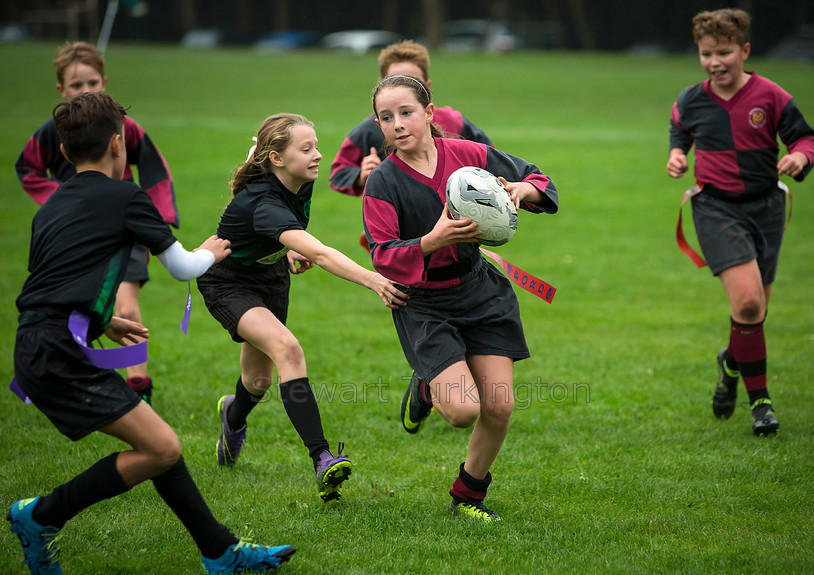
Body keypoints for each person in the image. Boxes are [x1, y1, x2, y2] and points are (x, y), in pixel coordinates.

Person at [8, 92, 295, 575]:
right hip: (56, 352)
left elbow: (50, 283)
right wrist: (210, 252)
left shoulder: (50, 207)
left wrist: (102, 319)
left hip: (37, 343)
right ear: (119, 145)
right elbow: (182, 267)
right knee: (162, 448)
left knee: (158, 443)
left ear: (62, 153)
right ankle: (39, 515)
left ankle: (218, 550)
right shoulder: (126, 196)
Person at [362, 75, 558, 522]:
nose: (397, 124)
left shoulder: (469, 155)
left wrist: (525, 190)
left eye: (406, 113)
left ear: (430, 114)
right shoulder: (384, 184)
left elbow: (535, 176)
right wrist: (430, 240)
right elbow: (382, 254)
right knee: (463, 411)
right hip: (425, 304)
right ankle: (428, 382)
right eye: (386, 118)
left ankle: (468, 495)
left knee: (500, 406)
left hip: (480, 291)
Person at [197, 113, 408, 502]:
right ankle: (322, 457)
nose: (318, 156)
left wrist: (284, 247)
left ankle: (233, 416)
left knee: (256, 381)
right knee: (288, 349)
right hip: (229, 283)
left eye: (316, 146)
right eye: (306, 149)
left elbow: (281, 223)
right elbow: (322, 253)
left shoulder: (292, 176)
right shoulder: (262, 199)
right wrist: (374, 279)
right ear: (277, 157)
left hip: (271, 276)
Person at [667, 8, 814, 436]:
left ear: (745, 51)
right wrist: (678, 155)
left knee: (753, 311)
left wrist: (799, 155)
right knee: (750, 304)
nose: (715, 62)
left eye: (725, 52)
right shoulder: (690, 100)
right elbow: (680, 132)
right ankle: (761, 404)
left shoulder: (771, 96)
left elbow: (807, 137)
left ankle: (732, 363)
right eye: (706, 53)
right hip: (715, 208)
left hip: (766, 208)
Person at [15, 41, 179, 405]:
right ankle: (56, 372)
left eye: (92, 83)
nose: (85, 91)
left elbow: (155, 167)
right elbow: (26, 167)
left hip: (126, 227)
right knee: (74, 310)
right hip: (75, 236)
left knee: (126, 308)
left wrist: (160, 217)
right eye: (76, 86)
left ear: (105, 81)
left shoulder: (125, 127)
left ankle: (139, 386)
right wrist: (61, 197)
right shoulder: (53, 131)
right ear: (61, 90)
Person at [329, 40, 493, 251]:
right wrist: (361, 175)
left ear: (428, 87)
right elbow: (338, 173)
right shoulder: (371, 128)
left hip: (456, 229)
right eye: (394, 80)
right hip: (406, 237)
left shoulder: (454, 120)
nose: (402, 86)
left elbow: (488, 156)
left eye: (412, 80)